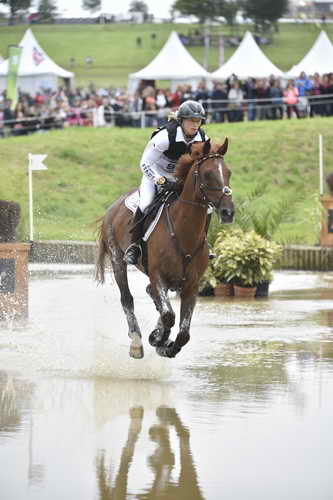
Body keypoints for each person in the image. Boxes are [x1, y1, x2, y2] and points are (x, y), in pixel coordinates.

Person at [124, 100, 208, 265]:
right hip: (154, 174)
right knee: (145, 204)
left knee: (207, 207)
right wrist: (160, 180)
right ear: (181, 120)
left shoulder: (202, 138)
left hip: (180, 179)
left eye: (198, 121)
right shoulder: (165, 137)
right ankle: (134, 247)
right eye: (192, 120)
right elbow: (144, 163)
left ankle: (203, 244)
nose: (195, 125)